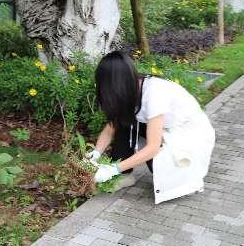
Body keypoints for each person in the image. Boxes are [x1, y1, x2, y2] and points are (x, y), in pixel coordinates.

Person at [86, 51, 215, 203]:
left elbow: (153, 147)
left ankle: (180, 176)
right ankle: (125, 176)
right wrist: (96, 153)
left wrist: (114, 169)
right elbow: (111, 128)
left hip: (188, 134)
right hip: (165, 126)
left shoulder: (154, 94)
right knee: (123, 121)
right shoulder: (130, 89)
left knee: (159, 167)